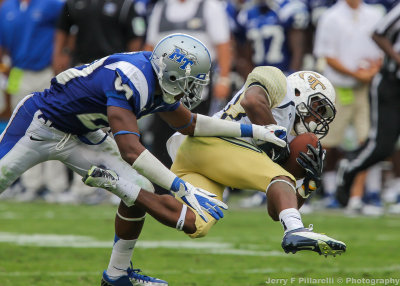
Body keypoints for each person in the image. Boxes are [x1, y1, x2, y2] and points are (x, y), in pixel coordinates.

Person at [0, 33, 287, 285]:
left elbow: (192, 125)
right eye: (190, 82)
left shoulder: (159, 78)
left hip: (83, 134)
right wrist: (182, 188)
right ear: (171, 75)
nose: (194, 90)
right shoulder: (132, 78)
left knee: (140, 188)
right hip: (39, 124)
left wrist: (255, 130)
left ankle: (117, 274)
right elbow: (130, 149)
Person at [94, 67, 347, 271]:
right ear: (302, 92)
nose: (317, 118)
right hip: (207, 142)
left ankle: (122, 186)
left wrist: (309, 184)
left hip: (205, 162)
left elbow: (275, 208)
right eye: (318, 108)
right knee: (277, 175)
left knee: (197, 224)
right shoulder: (279, 82)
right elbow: (252, 100)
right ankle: (295, 229)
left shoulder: (291, 136)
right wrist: (278, 145)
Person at [142, 0, 233, 178]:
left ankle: (206, 180)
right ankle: (164, 186)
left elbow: (223, 45)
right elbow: (150, 46)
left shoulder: (210, 6)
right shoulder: (161, 8)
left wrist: (224, 78)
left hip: (198, 83)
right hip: (165, 82)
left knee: (201, 131)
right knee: (161, 134)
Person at [313, 0, 383, 212]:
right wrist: (356, 74)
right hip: (339, 87)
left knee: (367, 141)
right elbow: (327, 56)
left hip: (365, 88)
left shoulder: (374, 14)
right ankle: (320, 191)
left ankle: (356, 197)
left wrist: (372, 71)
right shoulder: (331, 17)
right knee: (325, 142)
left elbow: (381, 49)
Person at [0, 0, 69, 201]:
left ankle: (56, 186)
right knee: (22, 131)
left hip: (47, 71)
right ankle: (30, 184)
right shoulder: (8, 8)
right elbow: (3, 44)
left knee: (54, 127)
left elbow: (66, 29)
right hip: (18, 72)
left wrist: (63, 55)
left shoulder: (52, 4)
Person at [336, 3, 400, 207]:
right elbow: (378, 34)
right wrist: (397, 58)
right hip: (392, 84)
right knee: (382, 146)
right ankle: (349, 167)